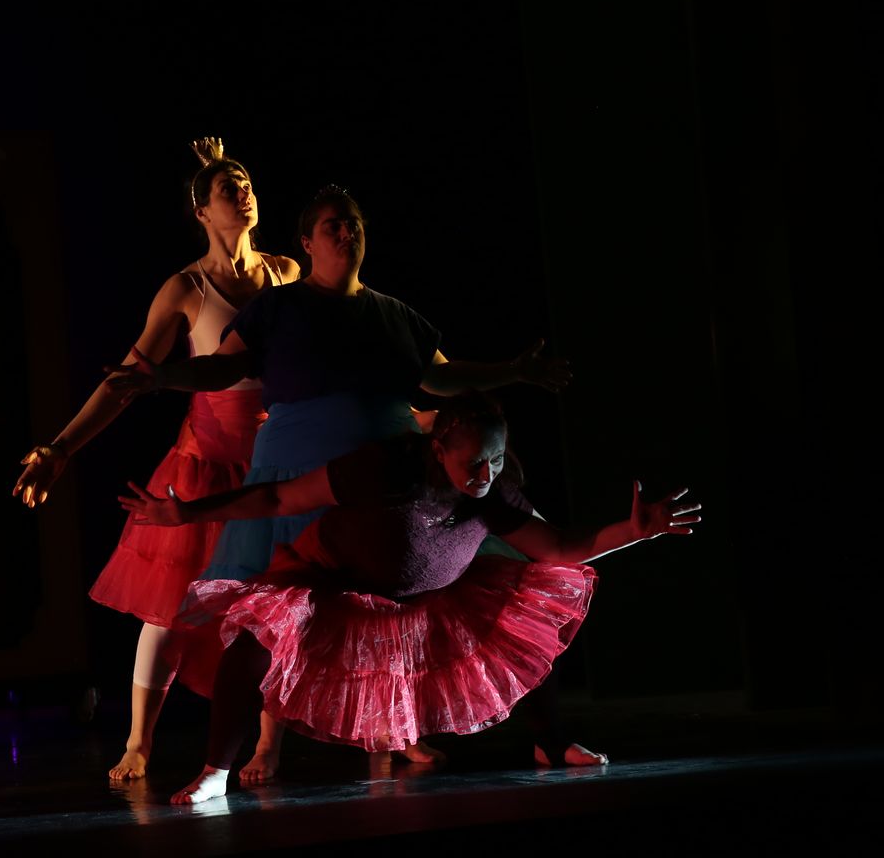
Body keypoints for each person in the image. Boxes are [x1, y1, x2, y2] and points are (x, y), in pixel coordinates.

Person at [104, 186, 571, 782]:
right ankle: (224, 765)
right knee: (266, 623)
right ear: (306, 242)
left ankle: (539, 740)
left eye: (353, 224)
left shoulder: (394, 314)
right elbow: (224, 366)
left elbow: (442, 377)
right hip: (299, 476)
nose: (347, 233)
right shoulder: (277, 308)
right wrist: (162, 377)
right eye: (333, 226)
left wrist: (515, 371)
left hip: (389, 487)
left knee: (485, 595)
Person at [115, 392, 701, 804]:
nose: (485, 474)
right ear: (439, 447)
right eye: (474, 462)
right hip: (337, 580)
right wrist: (186, 513)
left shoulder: (493, 493)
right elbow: (277, 499)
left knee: (520, 619)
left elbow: (560, 548)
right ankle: (215, 771)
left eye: (496, 460)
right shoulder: (384, 467)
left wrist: (636, 531)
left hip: (432, 595)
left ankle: (550, 742)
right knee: (250, 648)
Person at [12, 137, 300, 781]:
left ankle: (267, 746)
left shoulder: (286, 273)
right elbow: (127, 380)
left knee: (275, 607)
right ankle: (139, 742)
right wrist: (60, 448)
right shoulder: (186, 288)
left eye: (248, 184)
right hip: (205, 463)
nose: (244, 194)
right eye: (228, 189)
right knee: (169, 610)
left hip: (275, 462)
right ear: (201, 211)